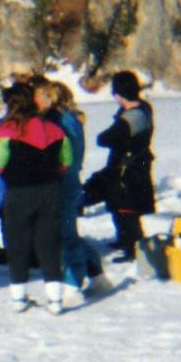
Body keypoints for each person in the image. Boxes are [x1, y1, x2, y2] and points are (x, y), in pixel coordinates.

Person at [0, 83, 73, 312]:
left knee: (17, 244)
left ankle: (19, 297)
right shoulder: (55, 129)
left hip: (18, 193)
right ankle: (55, 299)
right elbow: (66, 161)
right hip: (50, 191)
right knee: (49, 244)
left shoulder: (6, 130)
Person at [34, 79, 107, 303]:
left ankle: (73, 282)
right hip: (68, 181)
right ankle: (95, 272)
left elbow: (65, 156)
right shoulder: (69, 119)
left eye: (37, 98)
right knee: (68, 232)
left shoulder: (61, 122)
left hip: (62, 182)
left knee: (64, 235)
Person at [94, 69, 155, 261]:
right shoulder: (141, 109)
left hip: (129, 166)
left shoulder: (133, 116)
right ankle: (125, 239)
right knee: (118, 203)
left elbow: (106, 138)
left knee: (126, 205)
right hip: (131, 163)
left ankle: (131, 245)